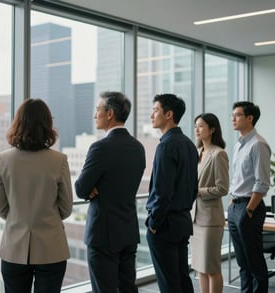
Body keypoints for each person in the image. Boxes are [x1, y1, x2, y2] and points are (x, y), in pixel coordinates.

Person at [0, 98, 73, 293]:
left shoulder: (4, 159)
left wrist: (18, 218)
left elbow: (1, 207)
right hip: (51, 247)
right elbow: (66, 207)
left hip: (14, 247)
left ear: (17, 123)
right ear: (47, 125)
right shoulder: (59, 160)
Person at [75, 91, 146, 293]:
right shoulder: (138, 147)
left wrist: (92, 188)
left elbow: (81, 188)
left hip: (103, 234)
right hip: (128, 230)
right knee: (127, 288)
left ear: (110, 113)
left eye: (98, 109)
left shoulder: (101, 147)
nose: (95, 114)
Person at [145, 93, 198, 293]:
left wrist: (154, 223)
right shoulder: (189, 145)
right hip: (182, 220)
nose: (152, 115)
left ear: (169, 114)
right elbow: (193, 188)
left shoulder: (166, 146)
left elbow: (162, 192)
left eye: (155, 110)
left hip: (165, 225)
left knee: (168, 283)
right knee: (182, 279)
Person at [228, 101, 271, 293]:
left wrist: (249, 209)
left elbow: (262, 182)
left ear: (250, 118)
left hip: (249, 207)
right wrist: (232, 203)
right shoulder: (239, 145)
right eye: (233, 115)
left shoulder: (258, 145)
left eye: (237, 115)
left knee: (254, 262)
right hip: (235, 206)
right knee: (242, 262)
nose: (233, 118)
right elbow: (238, 178)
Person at [190, 113, 229, 293]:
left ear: (212, 129)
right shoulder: (197, 153)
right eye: (196, 125)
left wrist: (199, 191)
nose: (197, 129)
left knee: (212, 268)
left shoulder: (218, 154)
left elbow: (222, 188)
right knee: (200, 268)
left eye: (201, 126)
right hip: (196, 219)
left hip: (211, 220)